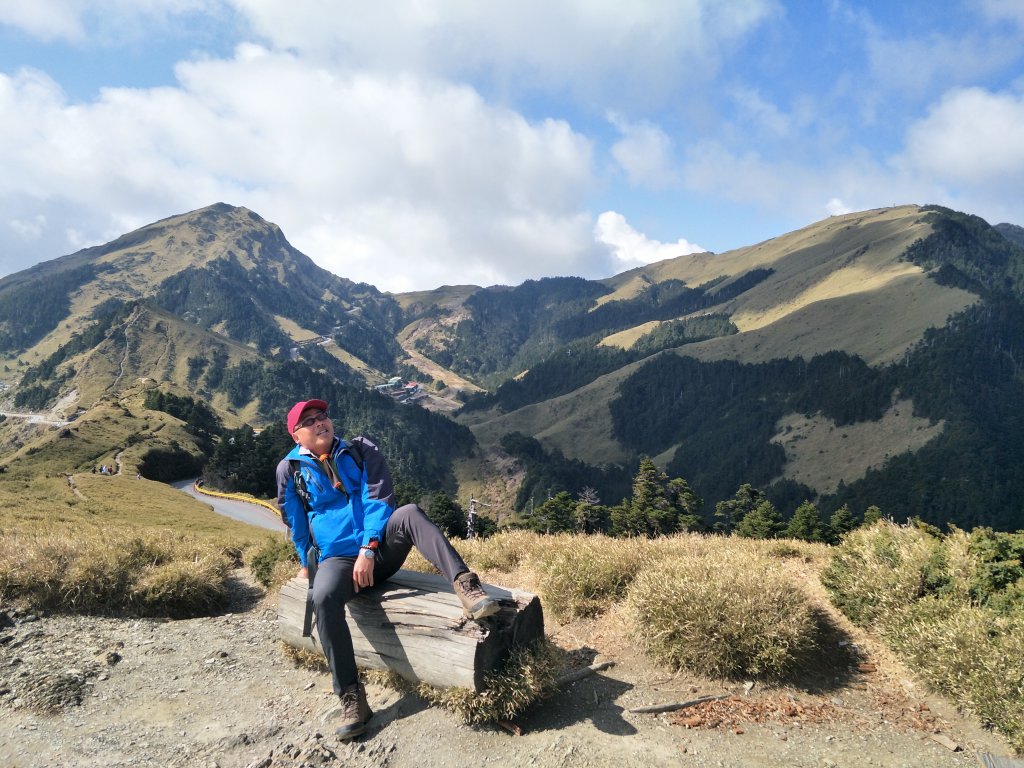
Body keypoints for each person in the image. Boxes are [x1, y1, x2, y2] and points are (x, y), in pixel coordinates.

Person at [276, 399, 498, 739]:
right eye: (310, 420)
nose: (320, 422)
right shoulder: (289, 470)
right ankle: (352, 698)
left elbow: (379, 499)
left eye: (323, 416)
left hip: (378, 550)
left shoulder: (360, 450)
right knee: (322, 598)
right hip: (337, 561)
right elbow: (294, 518)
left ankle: (466, 586)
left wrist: (368, 546)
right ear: (296, 435)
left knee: (409, 512)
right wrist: (306, 561)